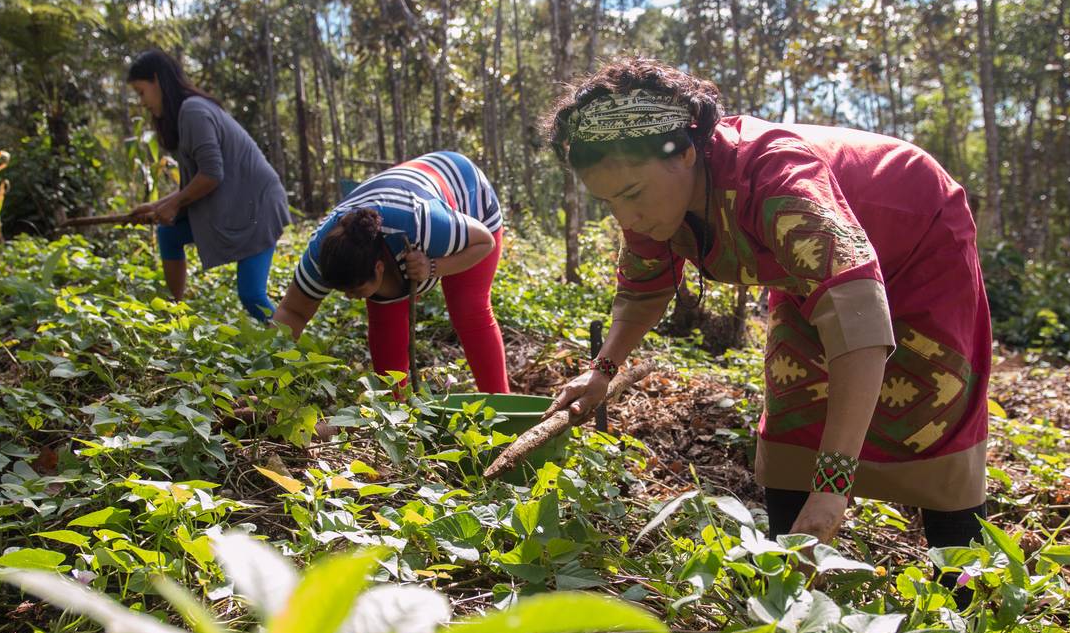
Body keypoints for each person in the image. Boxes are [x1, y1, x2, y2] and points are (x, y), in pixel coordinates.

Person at [543, 57, 991, 551]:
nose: (627, 215)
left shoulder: (775, 175)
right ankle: (790, 577)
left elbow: (857, 320)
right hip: (810, 274)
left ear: (685, 151)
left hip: (917, 239)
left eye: (632, 193)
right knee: (793, 407)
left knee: (932, 406)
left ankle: (961, 595)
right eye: (610, 202)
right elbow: (643, 292)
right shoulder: (653, 206)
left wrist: (834, 487)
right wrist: (602, 369)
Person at [272, 152, 510, 393]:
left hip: (466, 192)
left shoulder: (424, 224)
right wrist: (267, 377)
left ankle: (502, 406)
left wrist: (432, 267)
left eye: (354, 289)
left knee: (468, 309)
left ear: (378, 267)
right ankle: (396, 414)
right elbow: (292, 312)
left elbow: (484, 242)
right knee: (385, 317)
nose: (349, 297)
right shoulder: (321, 253)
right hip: (402, 201)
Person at [127, 49, 290, 321]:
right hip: (234, 205)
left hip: (255, 207)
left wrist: (172, 204)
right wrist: (155, 206)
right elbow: (195, 182)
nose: (141, 102)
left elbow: (212, 175)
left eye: (141, 92)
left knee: (251, 294)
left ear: (156, 80)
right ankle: (175, 312)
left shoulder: (193, 111)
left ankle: (296, 351)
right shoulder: (184, 116)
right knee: (169, 234)